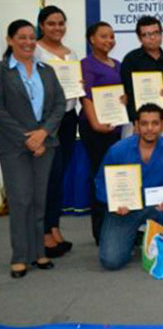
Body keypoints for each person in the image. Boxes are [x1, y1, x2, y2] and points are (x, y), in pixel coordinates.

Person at [1, 18, 66, 279]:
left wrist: (42, 134)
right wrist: (27, 138)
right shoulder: (2, 71)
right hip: (13, 145)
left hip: (45, 143)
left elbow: (59, 104)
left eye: (31, 37)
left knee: (39, 201)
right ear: (10, 40)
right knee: (20, 200)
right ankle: (20, 256)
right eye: (22, 37)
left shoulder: (46, 70)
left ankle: (39, 252)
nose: (28, 42)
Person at [96, 104, 163, 270]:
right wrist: (114, 204)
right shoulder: (118, 150)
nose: (149, 128)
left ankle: (146, 237)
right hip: (125, 210)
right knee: (111, 261)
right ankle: (134, 237)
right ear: (136, 125)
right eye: (144, 123)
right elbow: (101, 181)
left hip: (157, 208)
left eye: (155, 123)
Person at [35, 6, 78, 258]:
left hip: (68, 118)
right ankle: (42, 233)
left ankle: (53, 227)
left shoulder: (71, 53)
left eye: (61, 23)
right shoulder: (36, 51)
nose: (57, 28)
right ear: (41, 25)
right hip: (46, 120)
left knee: (59, 175)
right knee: (48, 176)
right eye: (51, 23)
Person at [79, 22, 124, 243]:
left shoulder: (117, 64)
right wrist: (96, 123)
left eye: (111, 36)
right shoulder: (86, 64)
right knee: (100, 175)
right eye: (104, 36)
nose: (109, 40)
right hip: (95, 129)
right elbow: (85, 96)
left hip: (115, 127)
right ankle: (100, 230)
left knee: (116, 176)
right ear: (92, 39)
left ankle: (116, 226)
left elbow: (121, 94)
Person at [120, 16, 163, 135]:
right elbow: (128, 93)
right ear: (139, 38)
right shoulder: (131, 59)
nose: (152, 38)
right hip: (136, 122)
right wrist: (136, 121)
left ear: (161, 34)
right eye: (146, 35)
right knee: (129, 147)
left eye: (155, 33)